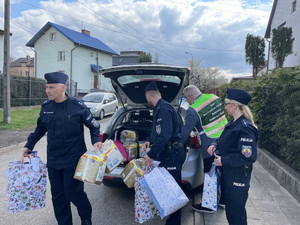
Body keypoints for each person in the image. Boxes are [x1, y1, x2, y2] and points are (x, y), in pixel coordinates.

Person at [22, 72, 103, 225]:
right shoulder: (46, 107)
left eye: (51, 87)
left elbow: (94, 126)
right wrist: (29, 145)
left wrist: (96, 140)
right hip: (54, 160)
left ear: (63, 87)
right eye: (46, 87)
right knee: (58, 197)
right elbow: (40, 129)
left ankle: (86, 219)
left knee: (73, 193)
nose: (47, 90)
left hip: (74, 159)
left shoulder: (77, 105)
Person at [207, 88, 258, 225]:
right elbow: (226, 140)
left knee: (236, 215)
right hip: (230, 175)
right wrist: (215, 145)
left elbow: (248, 157)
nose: (225, 107)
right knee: (232, 212)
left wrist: (223, 160)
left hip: (238, 177)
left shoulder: (245, 128)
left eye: (226, 104)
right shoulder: (233, 123)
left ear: (234, 105)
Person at [143, 81, 185, 225]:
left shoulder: (164, 109)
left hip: (172, 155)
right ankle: (172, 219)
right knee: (169, 188)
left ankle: (174, 222)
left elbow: (165, 135)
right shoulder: (160, 108)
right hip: (168, 154)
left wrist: (151, 154)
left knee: (173, 190)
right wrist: (149, 140)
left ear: (149, 96)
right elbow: (158, 130)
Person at [181, 85, 228, 213]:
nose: (187, 101)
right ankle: (223, 200)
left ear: (191, 96)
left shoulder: (193, 110)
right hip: (225, 140)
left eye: (186, 98)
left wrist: (178, 143)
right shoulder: (214, 98)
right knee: (223, 172)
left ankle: (209, 205)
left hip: (209, 145)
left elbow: (185, 132)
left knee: (210, 173)